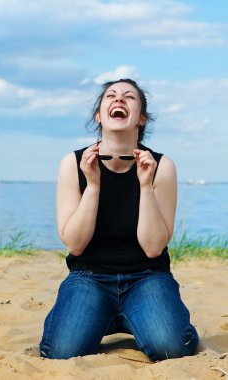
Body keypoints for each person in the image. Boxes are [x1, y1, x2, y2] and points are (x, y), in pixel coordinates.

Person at [39, 78, 199, 361]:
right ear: (99, 116)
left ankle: (130, 315)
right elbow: (75, 245)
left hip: (147, 277)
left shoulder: (161, 166)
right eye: (111, 96)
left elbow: (153, 247)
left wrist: (146, 186)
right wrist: (93, 185)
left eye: (129, 97)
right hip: (89, 277)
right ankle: (109, 315)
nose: (119, 100)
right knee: (60, 352)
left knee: (172, 347)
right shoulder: (73, 163)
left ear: (141, 118)